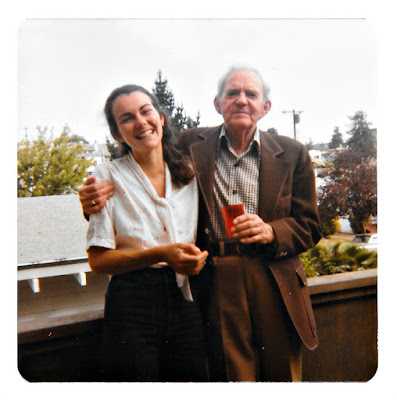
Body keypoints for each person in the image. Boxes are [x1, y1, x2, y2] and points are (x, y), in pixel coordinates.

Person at [80, 66, 322, 382]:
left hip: (273, 273)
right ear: (217, 104)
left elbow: (311, 224)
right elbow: (140, 174)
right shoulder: (191, 146)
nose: (241, 101)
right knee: (233, 374)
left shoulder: (292, 153)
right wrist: (91, 201)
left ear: (265, 108)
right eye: (232, 93)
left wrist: (273, 231)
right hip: (218, 275)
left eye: (251, 94)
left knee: (281, 373)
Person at [84, 84, 209, 382]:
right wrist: (162, 253)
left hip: (185, 299)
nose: (140, 122)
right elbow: (98, 262)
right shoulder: (105, 177)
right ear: (117, 134)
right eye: (126, 118)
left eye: (145, 111)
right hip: (132, 304)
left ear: (161, 118)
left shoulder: (190, 173)